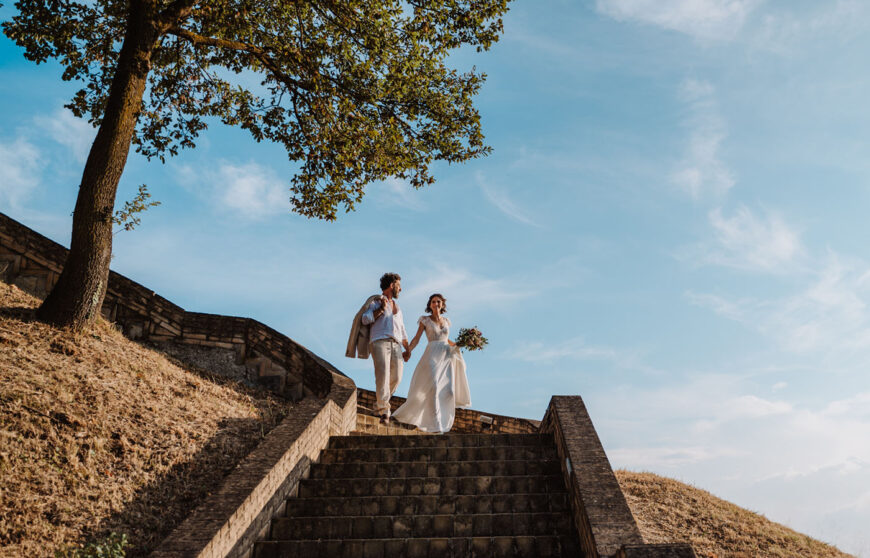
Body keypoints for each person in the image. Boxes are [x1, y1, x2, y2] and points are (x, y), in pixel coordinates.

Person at [392, 293, 471, 433]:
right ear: (430, 305)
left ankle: (443, 422)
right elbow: (416, 338)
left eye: (438, 301)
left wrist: (463, 343)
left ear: (442, 304)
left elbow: (446, 340)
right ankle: (435, 426)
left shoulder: (447, 321)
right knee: (434, 386)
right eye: (433, 302)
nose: (436, 304)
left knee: (449, 391)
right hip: (432, 355)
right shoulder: (425, 320)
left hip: (447, 356)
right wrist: (408, 350)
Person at [358, 273, 410, 423]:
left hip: (396, 344)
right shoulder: (376, 301)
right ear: (392, 285)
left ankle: (378, 405)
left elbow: (402, 330)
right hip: (379, 341)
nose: (401, 289)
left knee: (397, 377)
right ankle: (384, 412)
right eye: (399, 286)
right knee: (383, 376)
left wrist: (407, 348)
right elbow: (365, 319)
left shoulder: (398, 308)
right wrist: (380, 309)